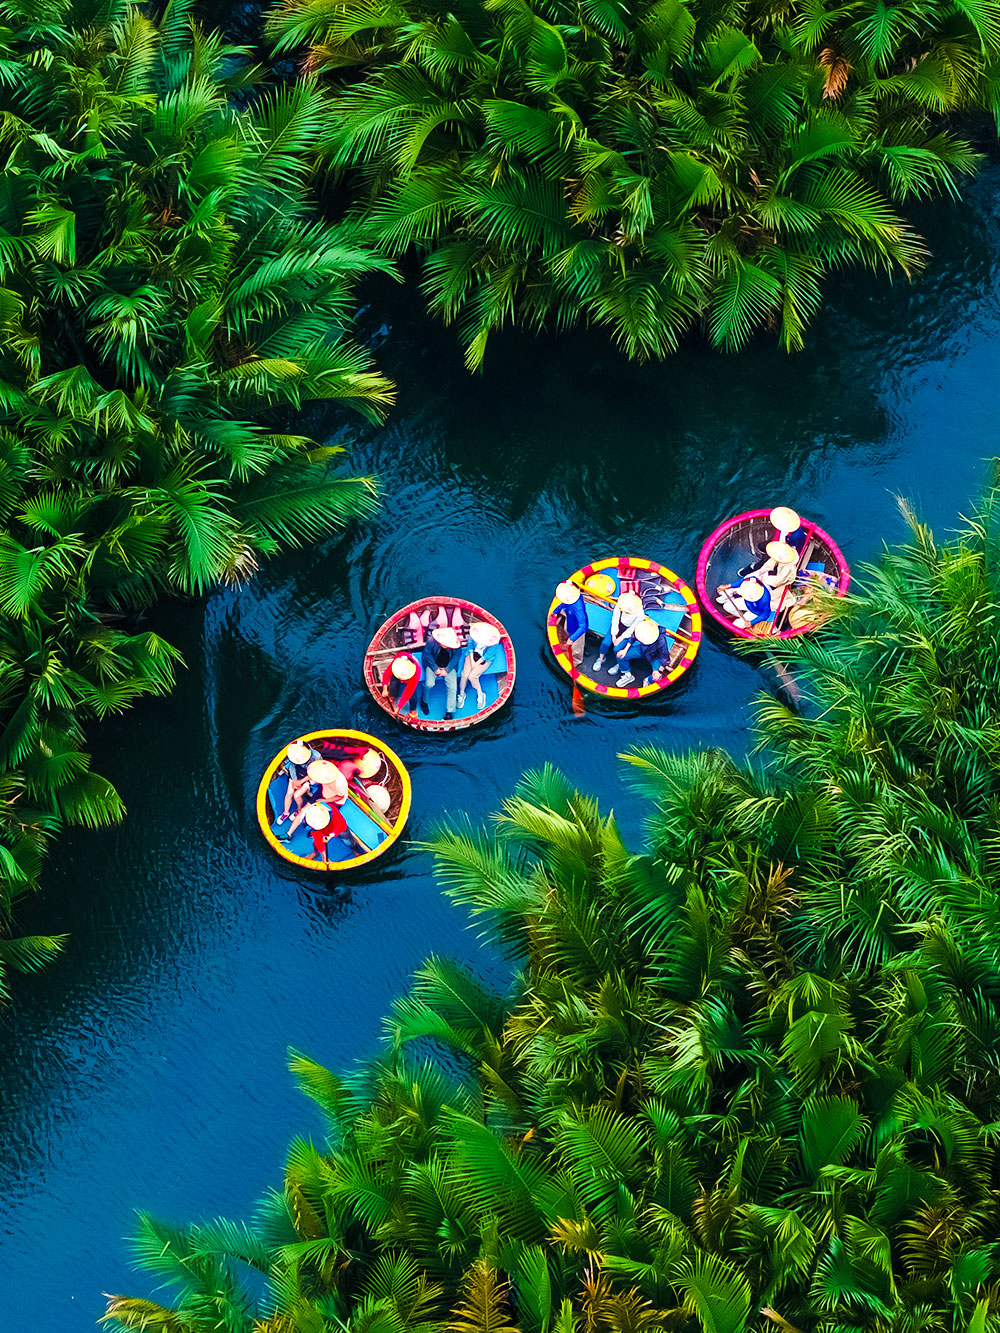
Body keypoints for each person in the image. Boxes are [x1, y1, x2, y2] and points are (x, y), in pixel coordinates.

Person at [592, 590, 644, 673]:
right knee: (605, 643)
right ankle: (601, 659)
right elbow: (615, 619)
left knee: (617, 649)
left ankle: (619, 664)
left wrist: (620, 638)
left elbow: (633, 628)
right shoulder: (620, 605)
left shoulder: (640, 613)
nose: (630, 607)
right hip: (618, 626)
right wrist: (614, 635)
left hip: (628, 631)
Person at [300, 801, 367, 862]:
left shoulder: (332, 811)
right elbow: (318, 840)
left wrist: (332, 835)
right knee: (316, 841)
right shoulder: (312, 820)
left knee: (349, 842)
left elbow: (341, 825)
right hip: (324, 831)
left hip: (340, 830)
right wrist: (325, 857)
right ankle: (315, 853)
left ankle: (355, 851)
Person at [420, 625, 462, 719]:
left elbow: (456, 655)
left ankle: (450, 711)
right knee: (429, 684)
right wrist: (435, 668)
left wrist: (447, 670)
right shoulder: (431, 640)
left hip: (449, 665)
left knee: (453, 687)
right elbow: (426, 654)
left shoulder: (456, 642)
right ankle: (424, 701)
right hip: (432, 664)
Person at [616, 617, 672, 688]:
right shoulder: (642, 628)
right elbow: (633, 637)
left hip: (654, 656)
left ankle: (648, 680)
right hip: (641, 649)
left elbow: (666, 658)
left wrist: (659, 671)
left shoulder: (661, 641)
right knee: (621, 656)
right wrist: (625, 650)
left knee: (657, 678)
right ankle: (627, 675)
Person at [458, 622, 502, 710]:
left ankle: (480, 693)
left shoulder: (494, 643)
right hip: (472, 655)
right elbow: (470, 647)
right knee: (464, 675)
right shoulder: (473, 636)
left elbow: (487, 656)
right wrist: (472, 661)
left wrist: (476, 664)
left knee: (472, 676)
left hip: (484, 659)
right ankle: (462, 693)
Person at [277, 739, 320, 823]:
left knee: (296, 795)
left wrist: (301, 782)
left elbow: (316, 771)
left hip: (309, 777)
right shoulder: (294, 754)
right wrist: (294, 780)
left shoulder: (316, 757)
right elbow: (292, 767)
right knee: (289, 792)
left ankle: (298, 810)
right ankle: (286, 813)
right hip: (297, 774)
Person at [552, 579, 588, 668]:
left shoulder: (578, 607)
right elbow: (564, 604)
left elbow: (583, 626)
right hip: (570, 621)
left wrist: (572, 639)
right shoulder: (570, 597)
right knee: (566, 630)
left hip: (578, 630)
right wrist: (556, 611)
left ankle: (576, 662)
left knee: (576, 649)